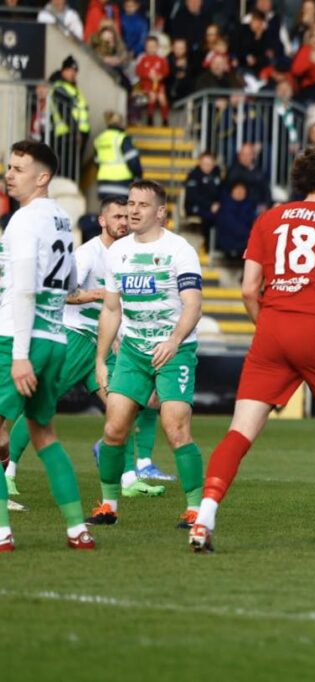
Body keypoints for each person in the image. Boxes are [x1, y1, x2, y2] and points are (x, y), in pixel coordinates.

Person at [189, 146, 315, 552]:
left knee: (239, 431)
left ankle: (203, 517)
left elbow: (247, 289)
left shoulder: (269, 219)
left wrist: (271, 329)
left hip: (271, 327)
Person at [4, 197, 168, 502]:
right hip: (74, 339)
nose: (123, 221)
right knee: (40, 408)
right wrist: (96, 294)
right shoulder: (88, 254)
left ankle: (128, 476)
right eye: (117, 216)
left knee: (125, 406)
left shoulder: (125, 254)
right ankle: (8, 472)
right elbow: (62, 294)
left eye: (125, 216)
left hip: (100, 345)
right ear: (103, 221)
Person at [88, 181, 205, 529]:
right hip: (134, 351)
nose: (134, 211)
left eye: (142, 204)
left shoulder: (180, 250)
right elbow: (111, 310)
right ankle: (108, 506)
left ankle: (197, 510)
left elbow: (193, 305)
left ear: (161, 212)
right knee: (114, 428)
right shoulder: (118, 252)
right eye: (130, 203)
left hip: (175, 351)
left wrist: (173, 340)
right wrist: (100, 359)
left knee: (176, 428)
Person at [0, 140, 94, 551]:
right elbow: (72, 281)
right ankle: (77, 529)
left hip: (22, 337)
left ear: (43, 177)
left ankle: (1, 533)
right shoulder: (60, 217)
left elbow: (23, 289)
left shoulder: (23, 220)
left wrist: (19, 355)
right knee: (43, 434)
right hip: (57, 337)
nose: (9, 174)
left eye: (19, 168)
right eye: (9, 166)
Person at [93, 111, 143, 201]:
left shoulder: (99, 139)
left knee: (107, 213)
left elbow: (96, 162)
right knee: (121, 214)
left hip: (103, 186)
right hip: (122, 185)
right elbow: (133, 162)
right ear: (120, 123)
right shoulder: (123, 138)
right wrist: (138, 176)